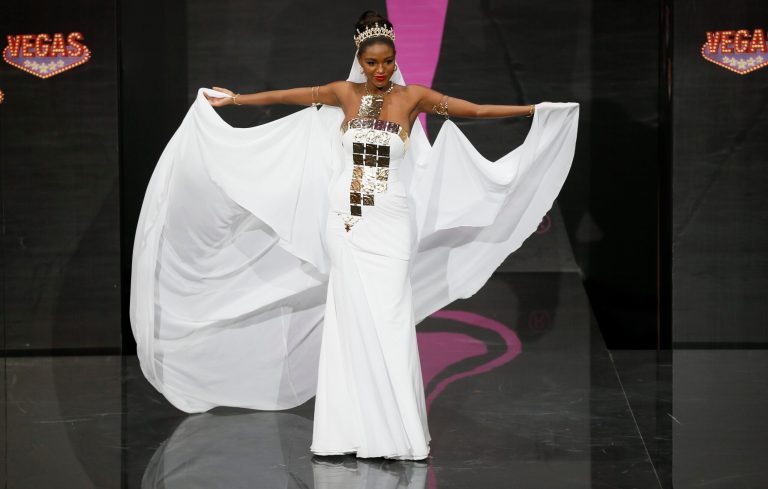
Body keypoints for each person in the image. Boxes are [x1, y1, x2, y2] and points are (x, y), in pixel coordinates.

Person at [129, 11, 579, 462]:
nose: (381, 70)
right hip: (346, 223)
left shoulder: (413, 97)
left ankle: (399, 433)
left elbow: (475, 110)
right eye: (372, 62)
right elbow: (288, 96)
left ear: (396, 58)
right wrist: (236, 100)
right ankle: (344, 433)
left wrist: (534, 111)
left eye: (387, 61)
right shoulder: (344, 94)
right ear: (360, 61)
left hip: (392, 223)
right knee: (349, 322)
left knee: (391, 320)